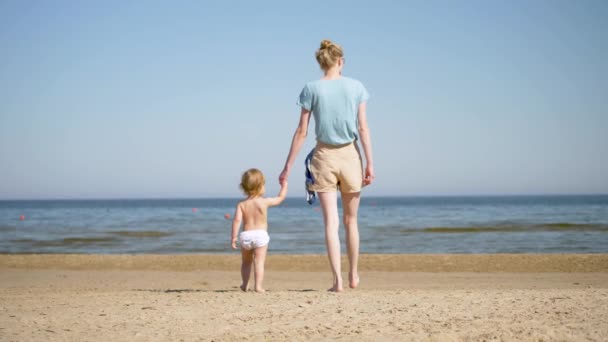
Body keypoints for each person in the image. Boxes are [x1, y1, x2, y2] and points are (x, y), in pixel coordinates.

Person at [279, 39, 375, 292]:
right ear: (340, 61)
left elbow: (301, 132)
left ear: (322, 63)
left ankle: (337, 281)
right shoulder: (356, 87)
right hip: (351, 157)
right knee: (351, 221)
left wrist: (287, 166)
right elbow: (363, 128)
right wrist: (370, 164)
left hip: (323, 157)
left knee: (331, 224)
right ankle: (354, 274)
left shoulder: (311, 88)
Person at [231, 168, 288, 292]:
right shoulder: (264, 202)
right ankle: (258, 286)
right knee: (259, 262)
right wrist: (284, 185)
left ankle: (245, 284)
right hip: (260, 236)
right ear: (261, 186)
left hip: (245, 235)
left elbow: (236, 221)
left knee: (246, 262)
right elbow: (280, 198)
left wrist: (234, 237)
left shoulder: (242, 204)